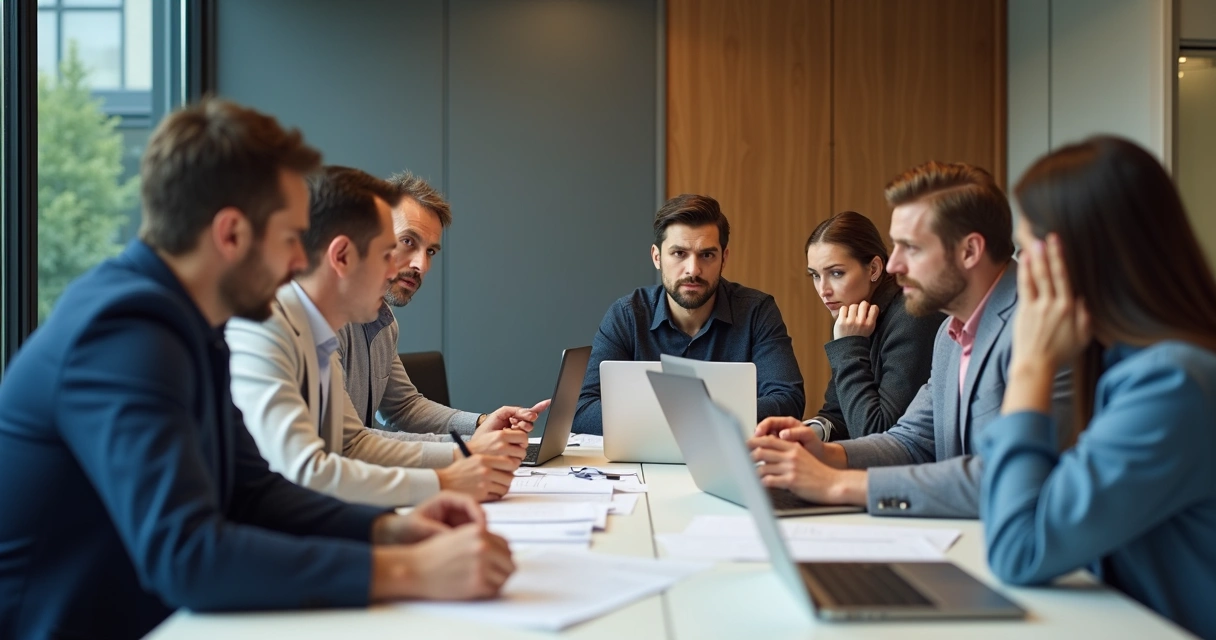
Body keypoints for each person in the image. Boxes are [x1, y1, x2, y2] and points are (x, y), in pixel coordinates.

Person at [0, 99, 512, 640]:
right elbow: (187, 556)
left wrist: (391, 530)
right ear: (230, 234)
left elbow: (255, 491)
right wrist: (408, 571)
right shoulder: (123, 333)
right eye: (291, 238)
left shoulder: (192, 325)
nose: (299, 262)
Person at [979, 136, 1216, 639]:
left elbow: (1019, 549)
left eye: (1025, 250)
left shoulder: (1172, 382)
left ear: (1069, 258)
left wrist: (1030, 367)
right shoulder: (1127, 363)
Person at [749, 161, 1071, 518]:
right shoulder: (950, 333)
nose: (892, 266)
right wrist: (824, 453)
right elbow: (911, 440)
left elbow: (1006, 477)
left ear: (969, 251)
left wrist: (838, 484)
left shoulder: (1044, 325)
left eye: (911, 248)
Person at [227, 166, 521, 506]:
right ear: (342, 256)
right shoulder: (265, 325)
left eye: (430, 252)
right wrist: (447, 477)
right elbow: (305, 473)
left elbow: (350, 444)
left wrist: (461, 456)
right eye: (388, 252)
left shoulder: (318, 331)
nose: (407, 268)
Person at [337, 170, 548, 445]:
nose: (421, 265)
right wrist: (468, 447)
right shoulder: (326, 320)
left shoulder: (385, 323)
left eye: (430, 251)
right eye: (408, 241)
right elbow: (346, 441)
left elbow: (404, 407)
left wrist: (482, 424)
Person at [573, 193, 805, 435]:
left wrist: (661, 419)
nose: (693, 270)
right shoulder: (627, 315)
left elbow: (788, 401)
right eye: (679, 253)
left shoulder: (757, 311)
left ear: (724, 258)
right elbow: (580, 409)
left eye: (707, 255)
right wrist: (701, 418)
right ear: (657, 257)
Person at [802, 210, 943, 441]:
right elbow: (838, 414)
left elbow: (876, 432)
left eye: (836, 273)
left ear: (874, 269)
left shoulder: (911, 318)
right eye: (815, 276)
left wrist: (849, 346)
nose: (823, 290)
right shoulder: (853, 316)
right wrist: (802, 433)